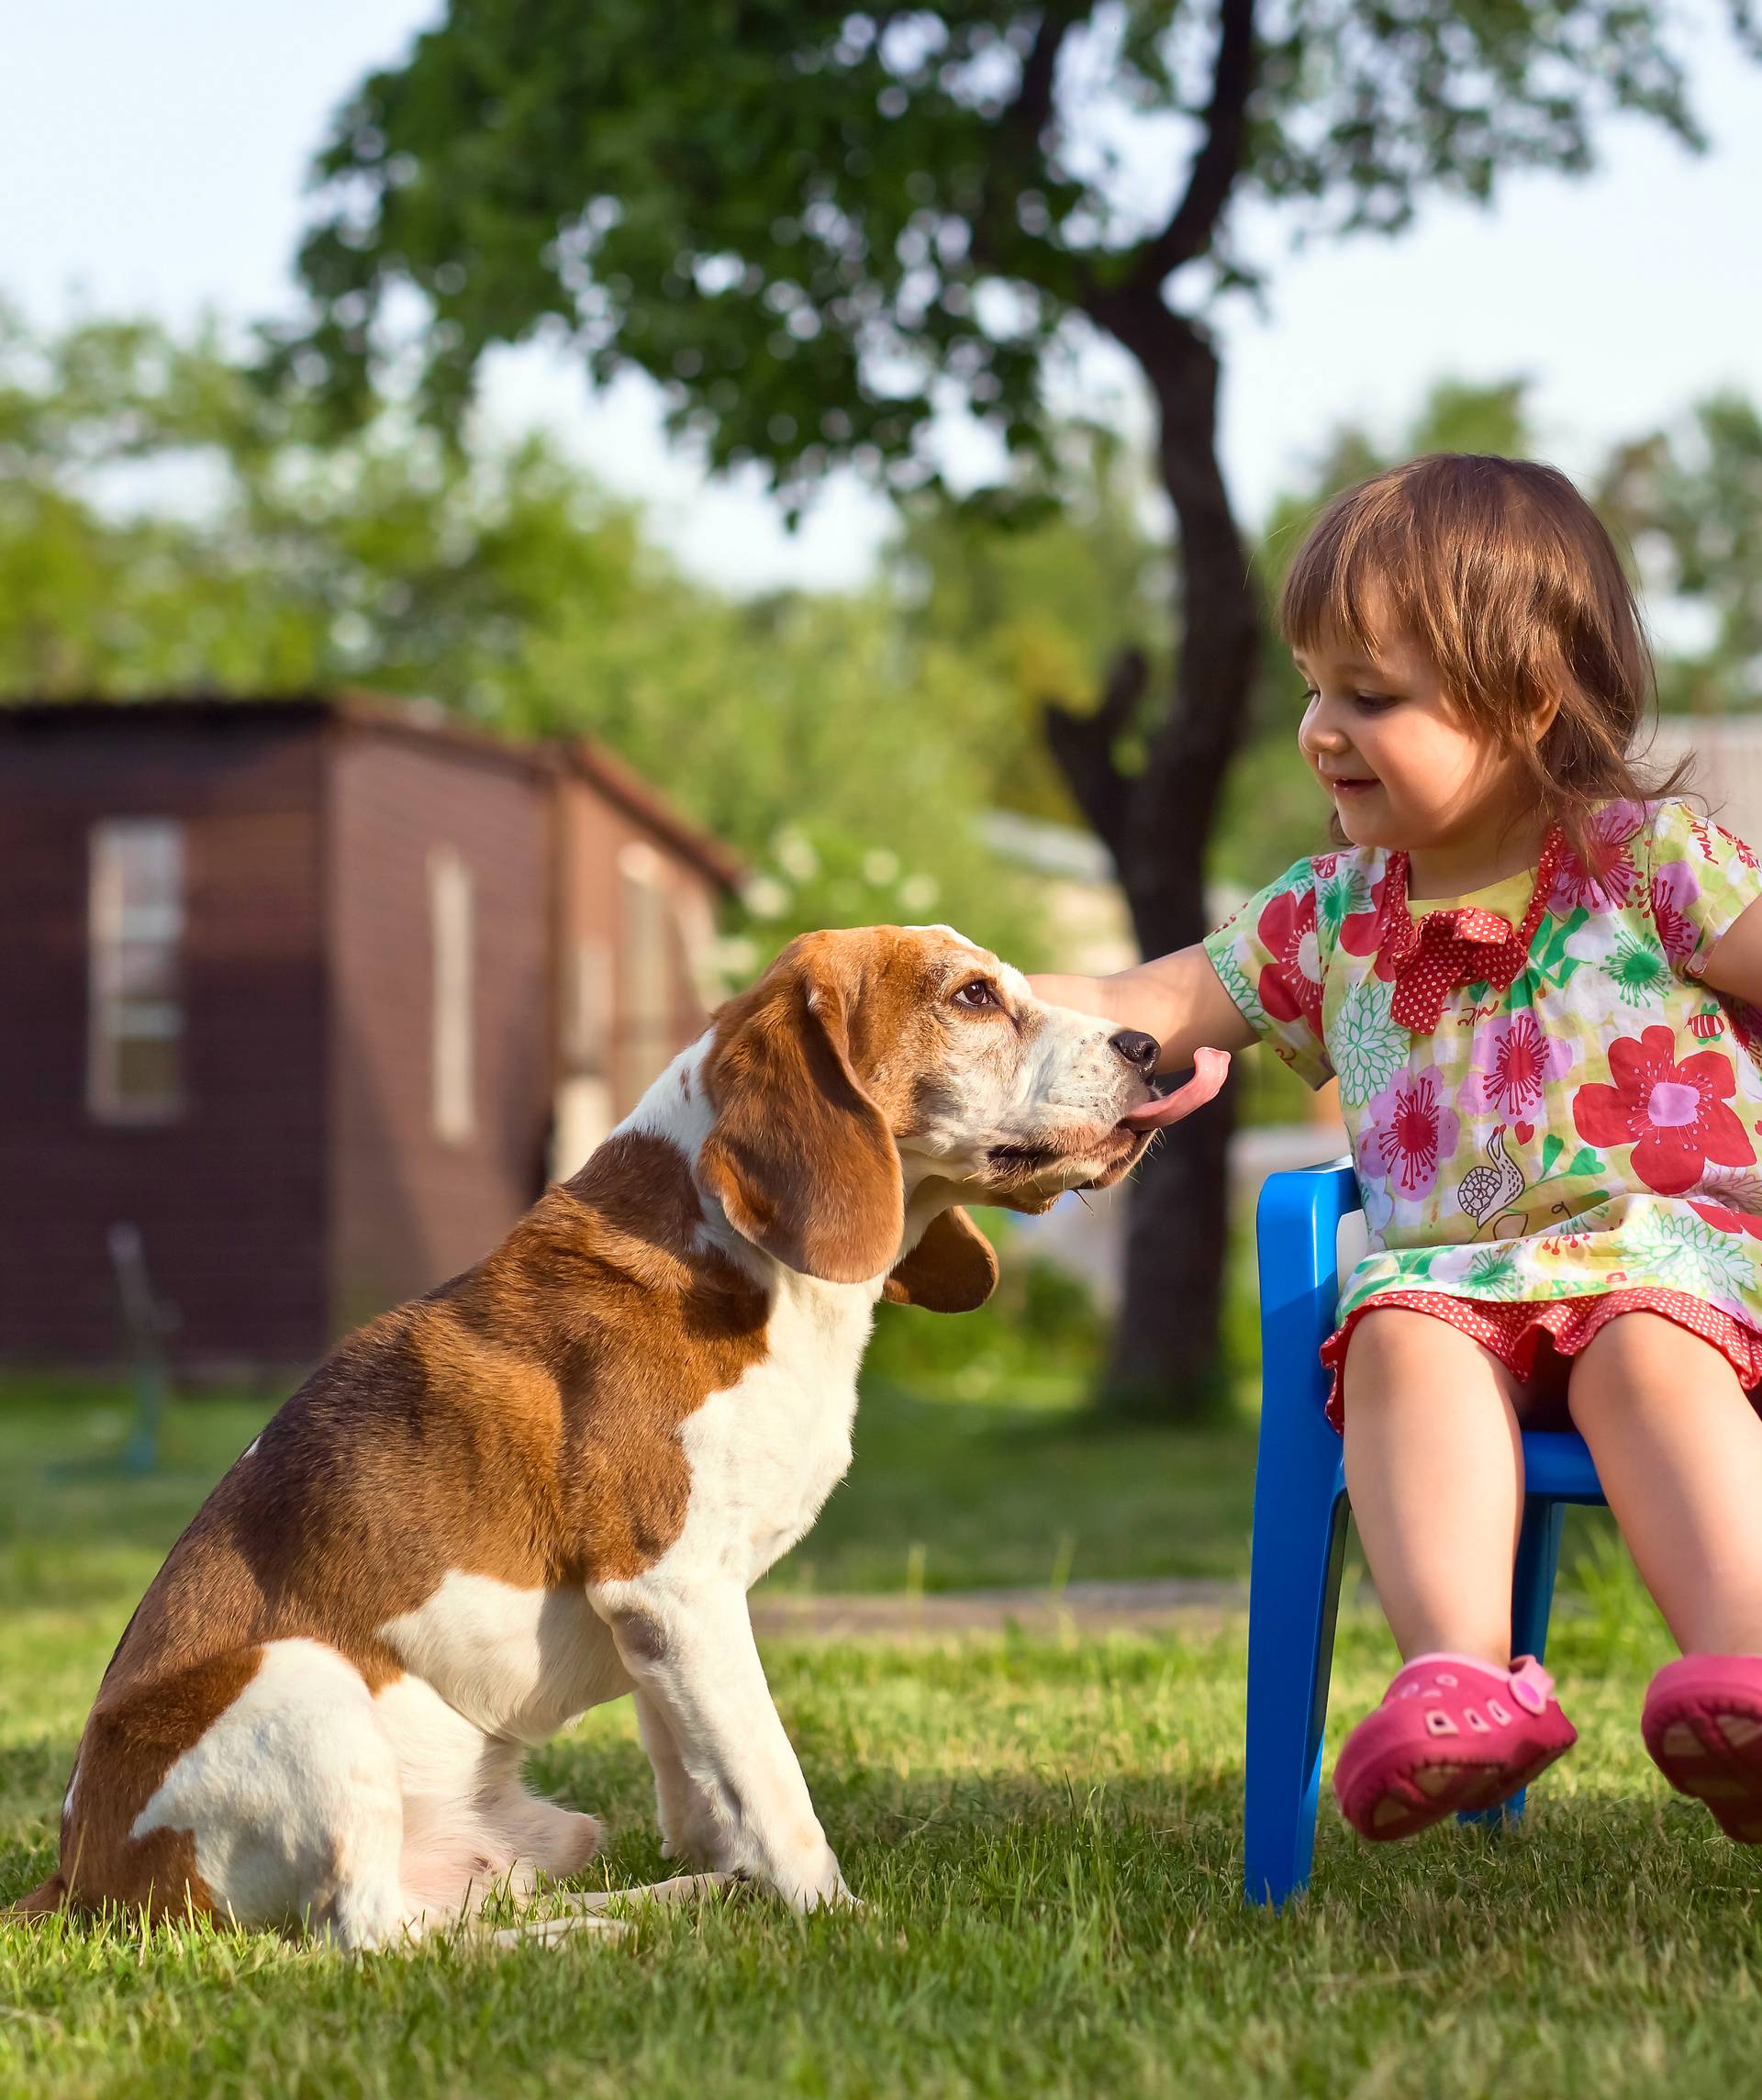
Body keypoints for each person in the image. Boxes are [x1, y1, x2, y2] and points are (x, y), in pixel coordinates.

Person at [1029, 453, 1762, 1845]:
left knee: (1642, 1345)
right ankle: (1460, 1680)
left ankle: (1743, 1671)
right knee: (1395, 1328)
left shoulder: (1647, 860)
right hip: (1465, 1288)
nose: (1321, 729)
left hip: (1678, 1272)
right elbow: (1141, 1006)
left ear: (1527, 704)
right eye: (1314, 686)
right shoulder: (1328, 916)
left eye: (1371, 695)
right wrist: (930, 991)